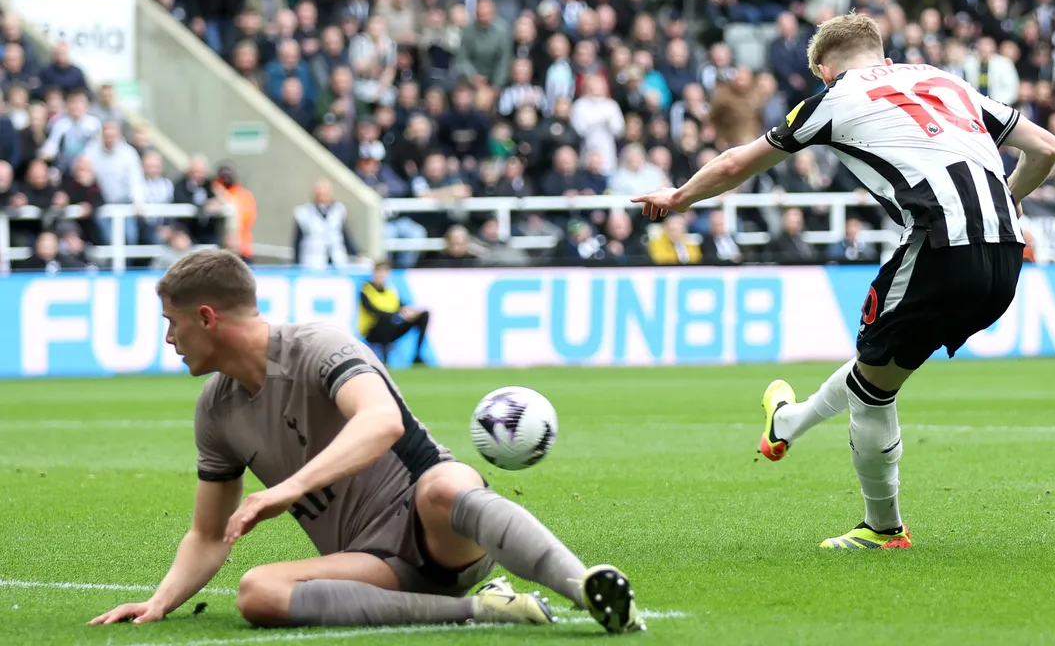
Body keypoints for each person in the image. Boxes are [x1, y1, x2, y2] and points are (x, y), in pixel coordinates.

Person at [631, 11, 1055, 550]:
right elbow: (1047, 147)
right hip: (1006, 255)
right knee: (875, 370)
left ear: (822, 68)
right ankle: (786, 425)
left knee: (873, 393)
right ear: (883, 55)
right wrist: (1007, 201)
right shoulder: (944, 80)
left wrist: (678, 197)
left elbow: (739, 162)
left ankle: (883, 528)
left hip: (938, 245)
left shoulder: (832, 99)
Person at [88, 250, 644, 633]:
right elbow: (209, 534)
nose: (168, 338)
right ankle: (487, 610)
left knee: (446, 483)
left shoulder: (317, 345)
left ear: (206, 318)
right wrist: (159, 603)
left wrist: (288, 490)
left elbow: (382, 422)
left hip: (438, 526)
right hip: (373, 566)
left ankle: (585, 585)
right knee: (257, 593)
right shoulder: (215, 409)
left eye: (172, 322)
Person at [360, 260, 430, 365]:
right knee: (384, 319)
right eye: (379, 272)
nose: (381, 275)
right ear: (373, 273)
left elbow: (400, 305)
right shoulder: (366, 290)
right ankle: (385, 359)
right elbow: (371, 310)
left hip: (390, 328)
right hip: (372, 331)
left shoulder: (390, 291)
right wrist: (394, 314)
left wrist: (411, 312)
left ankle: (417, 356)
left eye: (384, 272)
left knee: (424, 315)